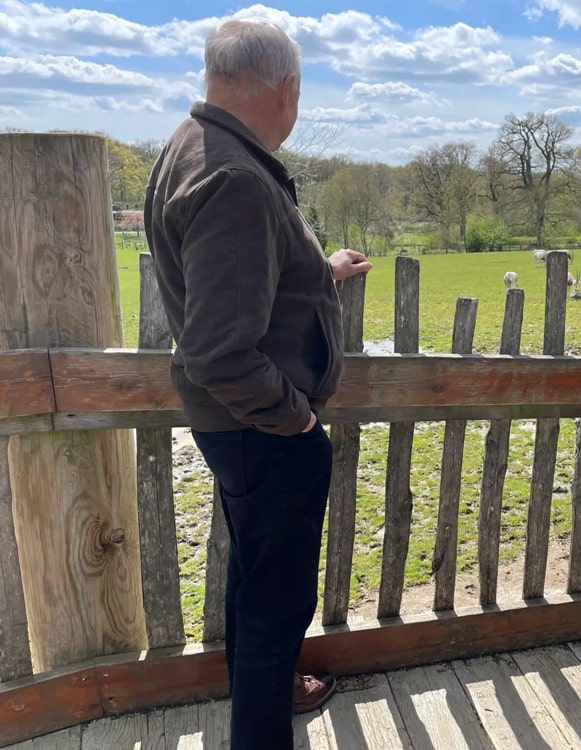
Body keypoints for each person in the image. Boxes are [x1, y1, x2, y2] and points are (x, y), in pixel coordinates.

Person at [144, 18, 372, 749]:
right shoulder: (238, 177)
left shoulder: (193, 147)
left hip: (241, 429)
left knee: (254, 582)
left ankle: (262, 695)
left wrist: (316, 273)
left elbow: (238, 280)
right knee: (276, 602)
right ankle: (261, 730)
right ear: (287, 87)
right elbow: (219, 350)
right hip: (264, 429)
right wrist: (298, 422)